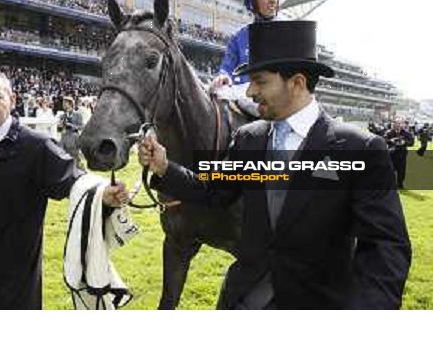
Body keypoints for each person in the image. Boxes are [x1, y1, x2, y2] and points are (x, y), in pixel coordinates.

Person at [139, 20, 411, 310]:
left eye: (260, 81)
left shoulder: (362, 149)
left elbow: (386, 248)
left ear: (297, 83)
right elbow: (214, 192)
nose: (249, 93)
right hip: (240, 302)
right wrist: (165, 167)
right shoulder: (248, 139)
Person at [0, 69, 128, 309]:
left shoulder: (36, 147)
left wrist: (104, 194)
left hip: (11, 282)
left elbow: (73, 180)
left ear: (12, 100)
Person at [210, 0, 284, 116]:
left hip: (274, 96)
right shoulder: (238, 36)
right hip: (244, 93)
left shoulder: (287, 33)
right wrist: (223, 76)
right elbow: (227, 67)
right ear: (253, 3)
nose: (273, 0)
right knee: (214, 92)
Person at [384, 119, 414, 189]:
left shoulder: (406, 133)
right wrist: (391, 141)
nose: (396, 125)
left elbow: (411, 142)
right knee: (390, 170)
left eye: (398, 124)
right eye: (394, 124)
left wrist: (404, 142)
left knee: (401, 171)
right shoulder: (389, 132)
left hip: (402, 155)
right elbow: (384, 140)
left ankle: (400, 184)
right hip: (391, 154)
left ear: (401, 125)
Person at [59, 95, 84, 169]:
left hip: (73, 137)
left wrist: (71, 125)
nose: (63, 104)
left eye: (64, 103)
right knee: (63, 158)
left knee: (74, 158)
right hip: (63, 138)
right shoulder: (62, 115)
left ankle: (78, 172)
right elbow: (60, 129)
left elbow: (81, 127)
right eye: (63, 103)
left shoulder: (78, 114)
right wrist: (60, 126)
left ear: (70, 104)